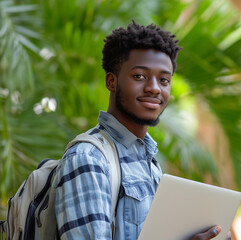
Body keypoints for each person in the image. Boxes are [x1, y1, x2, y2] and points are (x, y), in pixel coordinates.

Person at [53, 20, 225, 239]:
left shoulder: (150, 163)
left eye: (164, 80)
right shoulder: (89, 159)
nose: (154, 88)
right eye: (139, 76)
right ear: (111, 82)